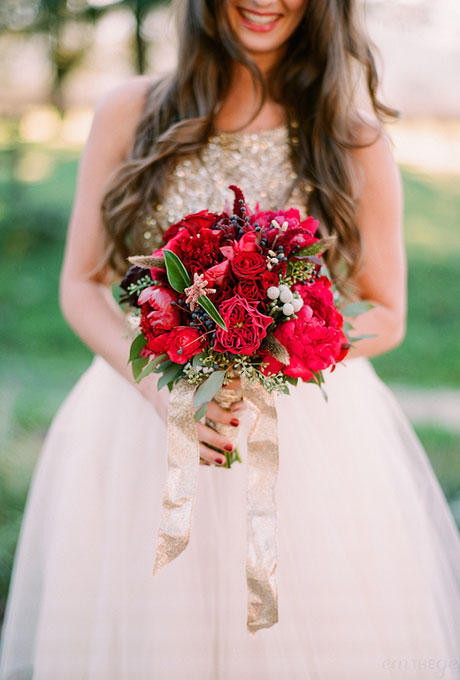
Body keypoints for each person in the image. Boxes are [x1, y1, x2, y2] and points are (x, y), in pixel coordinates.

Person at [1, 0, 460, 677]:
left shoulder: (351, 138)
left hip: (307, 445)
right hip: (138, 425)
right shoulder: (130, 110)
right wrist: (161, 392)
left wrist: (281, 347)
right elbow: (80, 283)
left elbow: (387, 312)